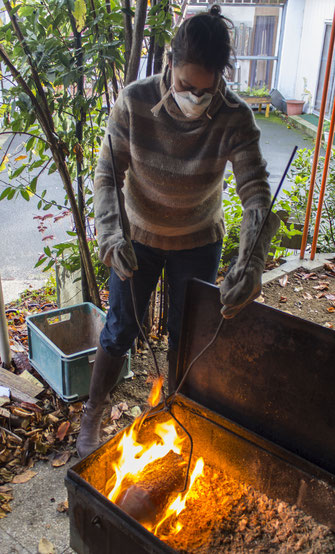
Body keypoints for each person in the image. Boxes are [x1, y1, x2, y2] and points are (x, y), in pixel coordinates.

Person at [76, 5, 280, 458]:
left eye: (206, 90)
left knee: (187, 329)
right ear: (169, 63)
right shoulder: (133, 101)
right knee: (120, 327)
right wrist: (111, 233)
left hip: (198, 238)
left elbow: (256, 194)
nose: (195, 97)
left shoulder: (233, 116)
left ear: (220, 78)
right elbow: (107, 173)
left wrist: (250, 263)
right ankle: (93, 411)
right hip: (138, 238)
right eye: (187, 85)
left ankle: (179, 409)